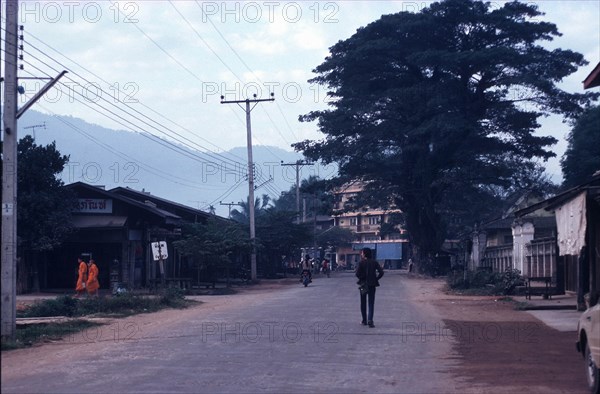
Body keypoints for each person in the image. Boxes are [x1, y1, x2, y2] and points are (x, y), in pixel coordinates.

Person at [355, 247, 384, 327]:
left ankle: (364, 320)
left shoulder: (361, 262)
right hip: (372, 284)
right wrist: (376, 279)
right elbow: (381, 272)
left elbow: (357, 274)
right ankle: (370, 319)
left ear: (364, 254)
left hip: (363, 285)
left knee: (363, 303)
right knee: (371, 303)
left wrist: (362, 278)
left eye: (362, 253)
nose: (361, 254)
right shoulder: (374, 262)